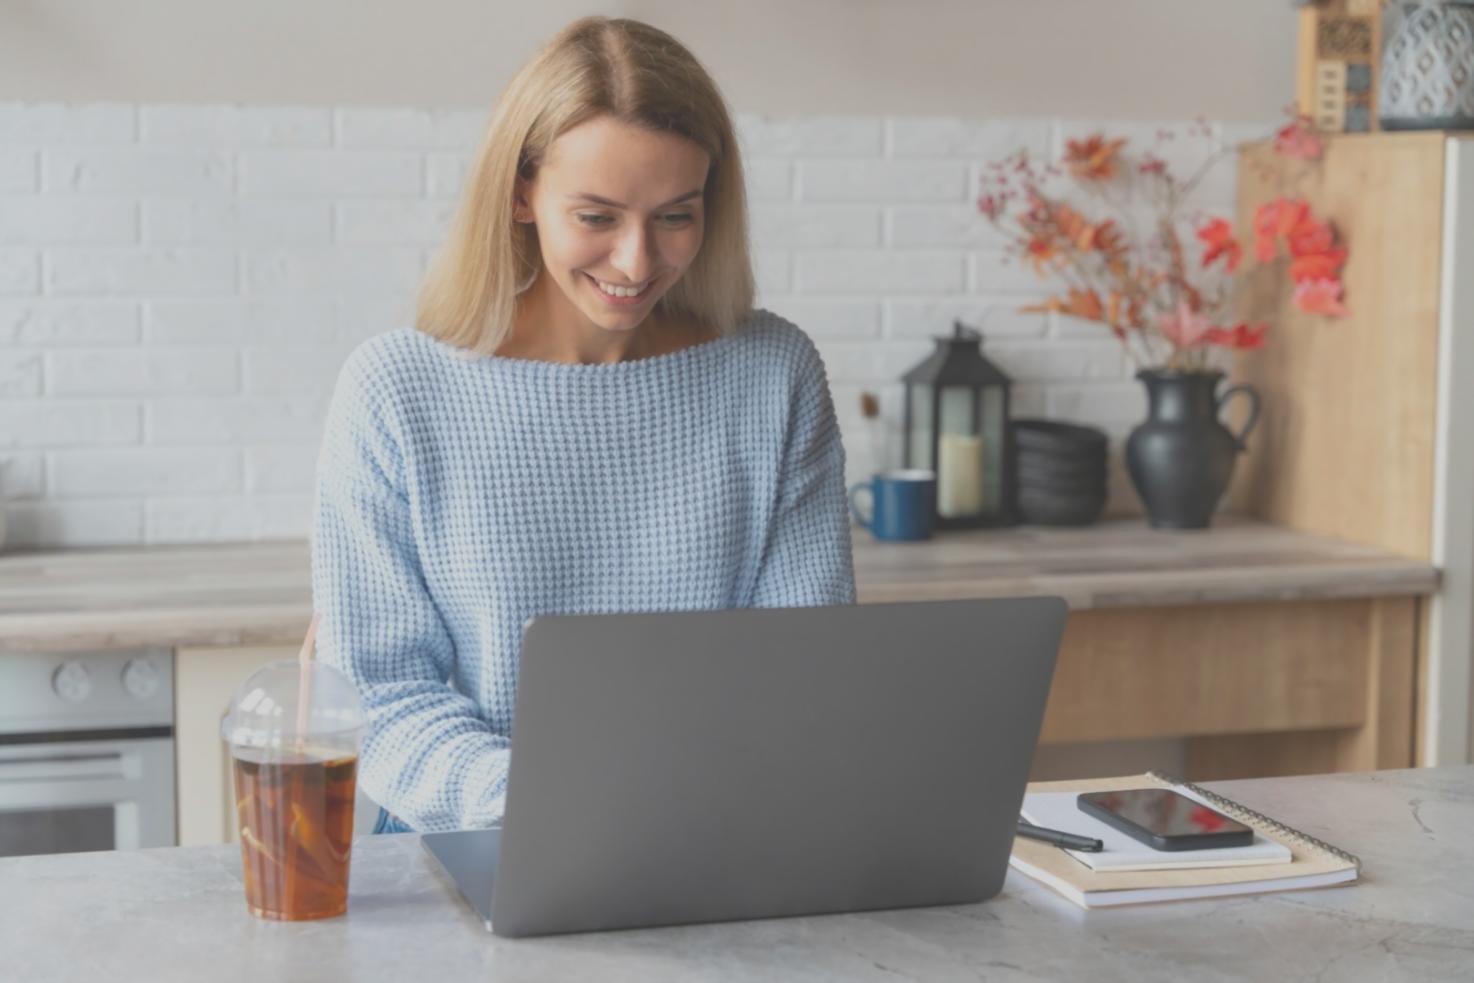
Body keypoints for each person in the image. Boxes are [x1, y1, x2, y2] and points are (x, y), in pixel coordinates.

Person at [311, 16, 855, 835]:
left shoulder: (774, 376)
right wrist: (552, 805)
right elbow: (384, 699)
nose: (637, 262)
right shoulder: (395, 391)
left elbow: (803, 671)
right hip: (467, 849)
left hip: (710, 838)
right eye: (597, 217)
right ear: (522, 192)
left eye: (676, 216)